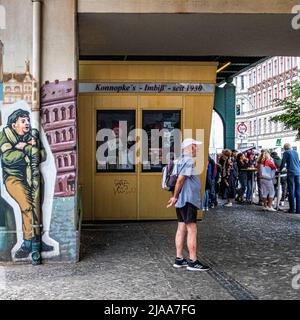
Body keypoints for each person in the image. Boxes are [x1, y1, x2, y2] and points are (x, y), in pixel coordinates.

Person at [0, 109, 54, 259]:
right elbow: (7, 158)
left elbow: (42, 155)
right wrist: (29, 153)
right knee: (27, 206)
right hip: (13, 178)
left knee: (37, 207)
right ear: (13, 124)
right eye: (23, 121)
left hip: (34, 176)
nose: (27, 124)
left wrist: (24, 147)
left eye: (28, 121)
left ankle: (37, 240)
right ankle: (27, 244)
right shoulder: (5, 136)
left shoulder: (34, 134)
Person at [167, 138, 210, 272]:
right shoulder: (188, 161)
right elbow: (180, 180)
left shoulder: (179, 160)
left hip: (182, 200)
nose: (196, 149)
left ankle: (179, 259)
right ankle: (193, 261)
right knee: (192, 229)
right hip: (188, 200)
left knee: (181, 227)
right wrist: (174, 196)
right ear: (189, 148)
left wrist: (175, 197)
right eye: (195, 146)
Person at [279, 143, 300, 214]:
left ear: (285, 148)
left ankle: (291, 209)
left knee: (291, 190)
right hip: (298, 172)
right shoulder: (296, 152)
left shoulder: (286, 153)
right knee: (298, 191)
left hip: (291, 172)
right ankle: (298, 209)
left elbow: (282, 163)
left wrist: (279, 170)